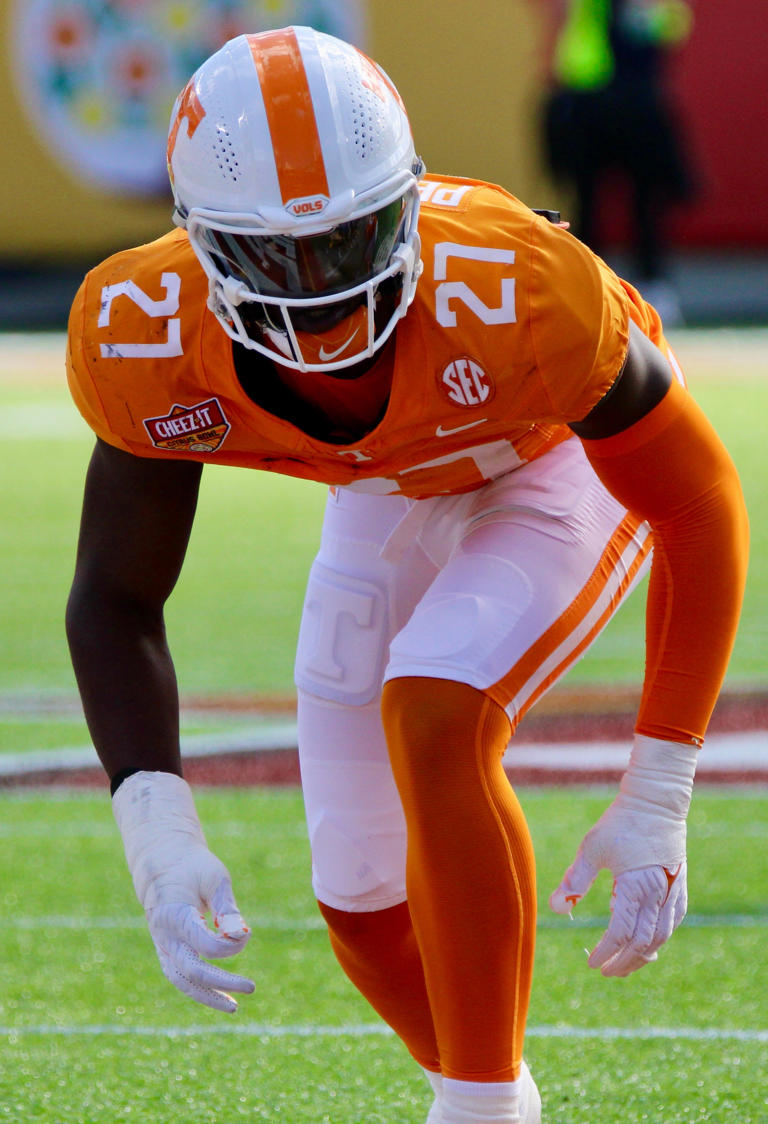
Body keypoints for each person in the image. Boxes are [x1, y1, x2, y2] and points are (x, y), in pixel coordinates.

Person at [65, 26, 748, 1124]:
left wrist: (658, 787)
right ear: (200, 244)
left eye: (351, 240)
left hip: (550, 461)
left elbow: (698, 495)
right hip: (390, 490)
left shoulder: (520, 285)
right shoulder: (143, 332)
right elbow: (116, 592)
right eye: (279, 257)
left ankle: (474, 1111)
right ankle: (502, 1100)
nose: (322, 288)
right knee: (358, 894)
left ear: (408, 199)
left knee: (435, 707)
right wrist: (157, 825)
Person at [542, 0, 697, 322]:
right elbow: (562, 27)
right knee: (587, 202)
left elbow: (672, 26)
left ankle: (653, 291)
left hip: (639, 105)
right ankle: (586, 288)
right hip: (588, 103)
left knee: (647, 202)